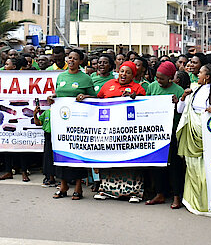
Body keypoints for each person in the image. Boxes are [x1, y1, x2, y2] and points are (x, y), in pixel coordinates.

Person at [82, 61, 146, 202]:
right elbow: (98, 100)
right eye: (122, 71)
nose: (124, 74)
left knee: (129, 162)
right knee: (109, 159)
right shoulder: (109, 84)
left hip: (128, 133)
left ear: (133, 75)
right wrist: (85, 97)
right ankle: (105, 190)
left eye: (128, 72)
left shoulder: (138, 88)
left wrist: (135, 98)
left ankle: (134, 193)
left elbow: (144, 106)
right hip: (109, 131)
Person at [176, 64, 211, 217]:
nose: (197, 75)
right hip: (193, 135)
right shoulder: (194, 90)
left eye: (200, 72)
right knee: (193, 168)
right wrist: (183, 97)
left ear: (207, 77)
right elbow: (180, 110)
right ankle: (194, 202)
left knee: (208, 171)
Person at [50, 49, 96, 200]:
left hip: (79, 123)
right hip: (62, 122)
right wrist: (53, 97)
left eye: (75, 59)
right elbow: (59, 94)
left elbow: (95, 98)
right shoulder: (61, 76)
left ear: (80, 61)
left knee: (77, 153)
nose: (71, 61)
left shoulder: (85, 78)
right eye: (69, 58)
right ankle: (63, 186)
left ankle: (78, 187)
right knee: (61, 152)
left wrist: (85, 96)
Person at [144, 61, 185, 208]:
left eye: (162, 78)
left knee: (174, 166)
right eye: (157, 77)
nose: (158, 81)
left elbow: (183, 113)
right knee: (157, 164)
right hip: (155, 132)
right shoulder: (152, 87)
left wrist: (177, 103)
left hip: (172, 132)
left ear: (171, 78)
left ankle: (176, 197)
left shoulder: (179, 90)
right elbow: (146, 105)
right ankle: (159, 193)